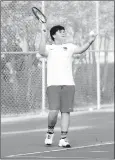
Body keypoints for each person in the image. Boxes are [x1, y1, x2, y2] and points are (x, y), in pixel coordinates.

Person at [38, 23, 97, 148]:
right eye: (60, 31)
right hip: (53, 84)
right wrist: (43, 35)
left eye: (64, 31)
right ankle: (50, 132)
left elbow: (81, 49)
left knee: (65, 112)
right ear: (54, 35)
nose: (63, 32)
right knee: (53, 112)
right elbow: (41, 51)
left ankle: (63, 139)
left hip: (69, 84)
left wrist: (90, 41)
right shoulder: (49, 48)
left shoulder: (69, 47)